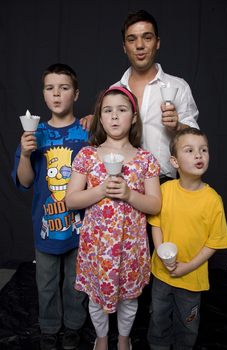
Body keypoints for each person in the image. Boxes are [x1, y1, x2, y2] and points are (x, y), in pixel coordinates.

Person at [66, 87, 162, 350]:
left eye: (122, 110)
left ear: (133, 117)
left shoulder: (145, 160)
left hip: (130, 249)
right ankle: (101, 337)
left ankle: (122, 339)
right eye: (108, 111)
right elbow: (71, 200)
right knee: (96, 299)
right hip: (96, 249)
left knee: (128, 299)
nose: (115, 117)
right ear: (100, 117)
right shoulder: (87, 155)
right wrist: (99, 191)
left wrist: (130, 194)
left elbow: (154, 205)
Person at [11, 63, 88, 350]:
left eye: (64, 88)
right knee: (45, 281)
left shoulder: (86, 132)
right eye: (50, 88)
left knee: (75, 281)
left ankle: (74, 324)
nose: (57, 94)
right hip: (45, 225)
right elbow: (25, 181)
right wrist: (25, 155)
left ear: (76, 94)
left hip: (80, 224)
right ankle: (50, 325)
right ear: (43, 95)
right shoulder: (35, 134)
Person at [82, 9, 199, 182]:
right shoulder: (114, 90)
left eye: (147, 37)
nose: (139, 45)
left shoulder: (178, 87)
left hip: (163, 181)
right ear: (124, 46)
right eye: (132, 39)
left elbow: (196, 141)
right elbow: (102, 137)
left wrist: (177, 127)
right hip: (121, 179)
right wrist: (94, 120)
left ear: (157, 42)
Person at [147, 127, 227, 350]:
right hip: (162, 274)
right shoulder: (165, 190)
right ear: (174, 161)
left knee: (188, 321)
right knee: (158, 314)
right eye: (190, 150)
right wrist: (162, 254)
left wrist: (188, 267)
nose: (198, 155)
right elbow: (156, 224)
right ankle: (158, 345)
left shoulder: (213, 200)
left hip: (192, 278)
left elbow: (215, 241)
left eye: (203, 149)